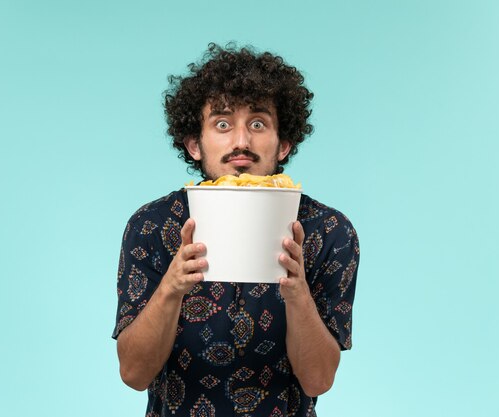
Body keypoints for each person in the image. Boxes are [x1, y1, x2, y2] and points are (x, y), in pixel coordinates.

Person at [113, 43, 360, 417]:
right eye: (223, 124)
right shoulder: (152, 225)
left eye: (258, 124)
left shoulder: (329, 231)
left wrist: (298, 295)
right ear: (195, 143)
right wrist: (171, 287)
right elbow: (133, 373)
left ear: (284, 144)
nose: (241, 141)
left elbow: (318, 380)